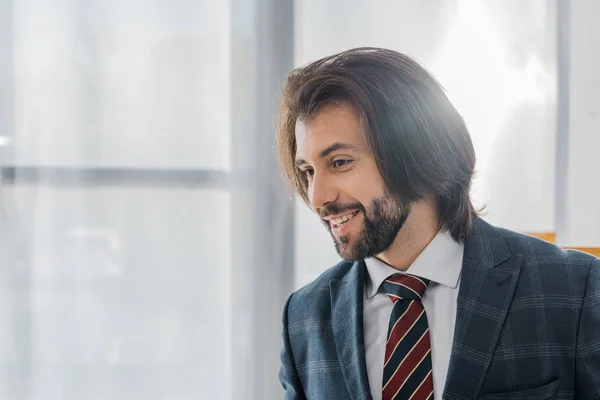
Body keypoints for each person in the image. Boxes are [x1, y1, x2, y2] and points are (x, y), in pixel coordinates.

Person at [276, 47, 600, 400]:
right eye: (307, 170)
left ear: (416, 153)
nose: (318, 196)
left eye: (339, 162)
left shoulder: (573, 291)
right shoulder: (304, 318)